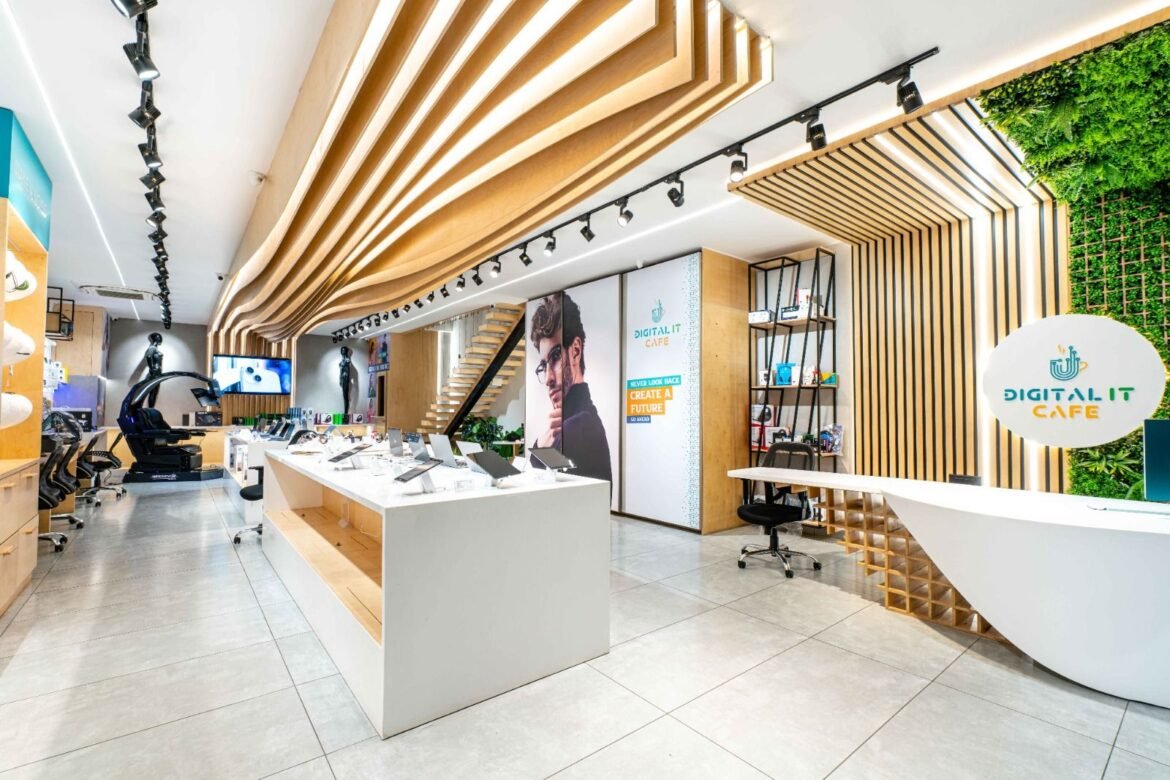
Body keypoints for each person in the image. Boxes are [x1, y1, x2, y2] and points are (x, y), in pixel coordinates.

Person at [530, 293, 611, 485]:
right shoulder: (578, 421)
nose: (548, 379)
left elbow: (538, 491)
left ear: (575, 350)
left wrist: (540, 448)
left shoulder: (577, 427)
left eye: (555, 357)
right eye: (543, 366)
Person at [143, 332, 164, 408]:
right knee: (153, 392)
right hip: (155, 372)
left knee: (155, 392)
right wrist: (152, 368)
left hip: (157, 372)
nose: (161, 339)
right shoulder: (152, 348)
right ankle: (151, 409)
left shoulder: (154, 348)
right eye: (159, 338)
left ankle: (151, 408)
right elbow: (148, 356)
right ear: (156, 338)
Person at [339, 346, 353, 419]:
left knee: (346, 397)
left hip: (346, 379)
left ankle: (346, 413)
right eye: (341, 350)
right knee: (345, 397)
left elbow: (346, 370)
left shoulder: (347, 360)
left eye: (343, 350)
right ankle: (345, 413)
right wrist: (340, 379)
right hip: (343, 379)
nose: (342, 352)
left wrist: (344, 379)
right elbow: (341, 371)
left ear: (346, 351)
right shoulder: (343, 359)